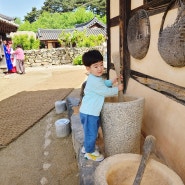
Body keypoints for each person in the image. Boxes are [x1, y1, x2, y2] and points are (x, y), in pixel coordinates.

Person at [79, 50, 123, 162]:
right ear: (88, 69)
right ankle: (90, 153)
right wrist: (117, 89)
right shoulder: (94, 81)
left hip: (90, 111)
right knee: (92, 133)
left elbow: (103, 84)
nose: (100, 68)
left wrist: (112, 81)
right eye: (95, 66)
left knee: (90, 131)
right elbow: (104, 91)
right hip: (89, 113)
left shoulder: (95, 78)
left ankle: (87, 147)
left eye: (101, 65)